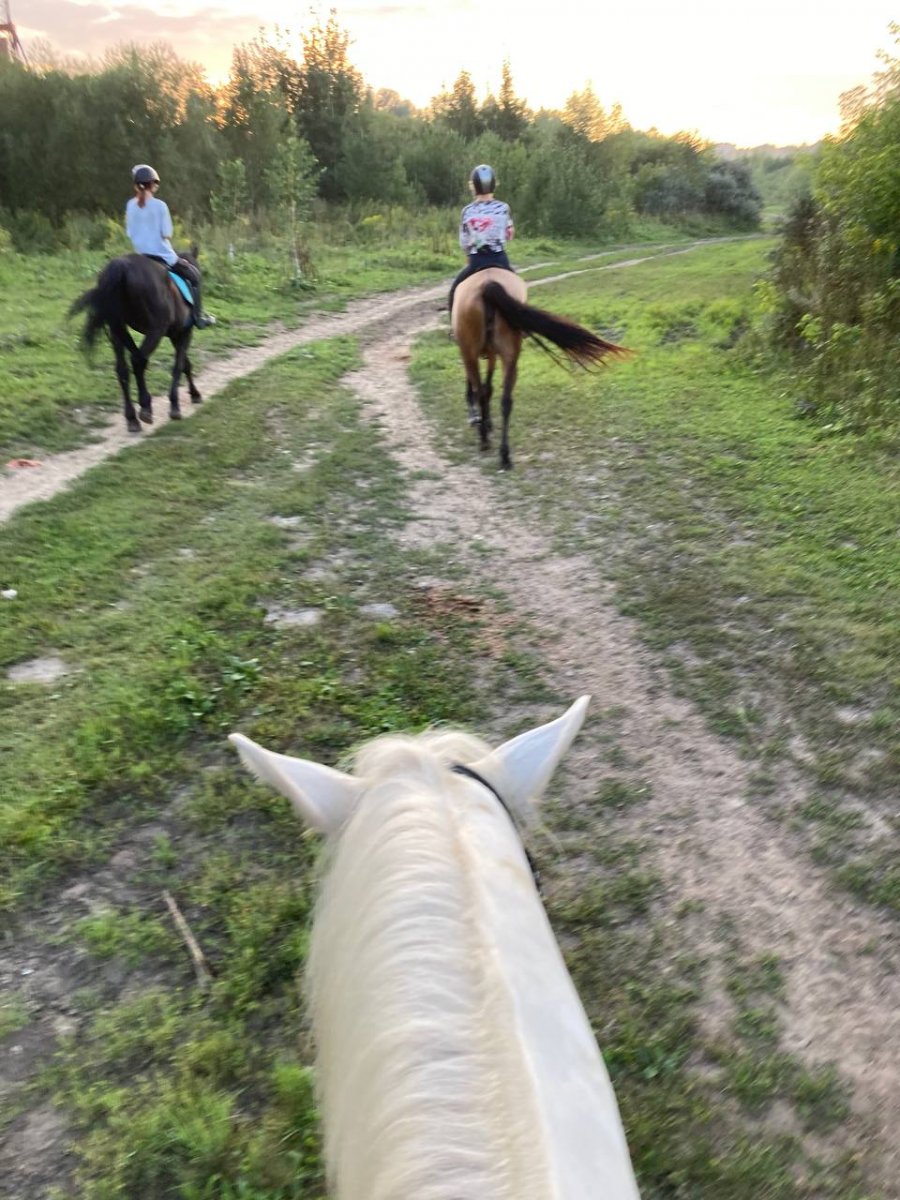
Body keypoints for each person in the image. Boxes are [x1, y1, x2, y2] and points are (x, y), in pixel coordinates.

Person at [125, 164, 215, 329]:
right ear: (153, 184)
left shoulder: (131, 205)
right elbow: (167, 234)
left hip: (141, 257)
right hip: (164, 257)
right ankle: (198, 317)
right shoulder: (160, 206)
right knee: (194, 276)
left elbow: (130, 233)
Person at [447, 164, 515, 316]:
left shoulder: (467, 211)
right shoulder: (503, 208)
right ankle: (522, 326)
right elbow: (508, 235)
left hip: (476, 261)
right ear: (493, 184)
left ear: (474, 186)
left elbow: (463, 242)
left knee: (454, 290)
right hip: (500, 260)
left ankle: (453, 326)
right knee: (518, 288)